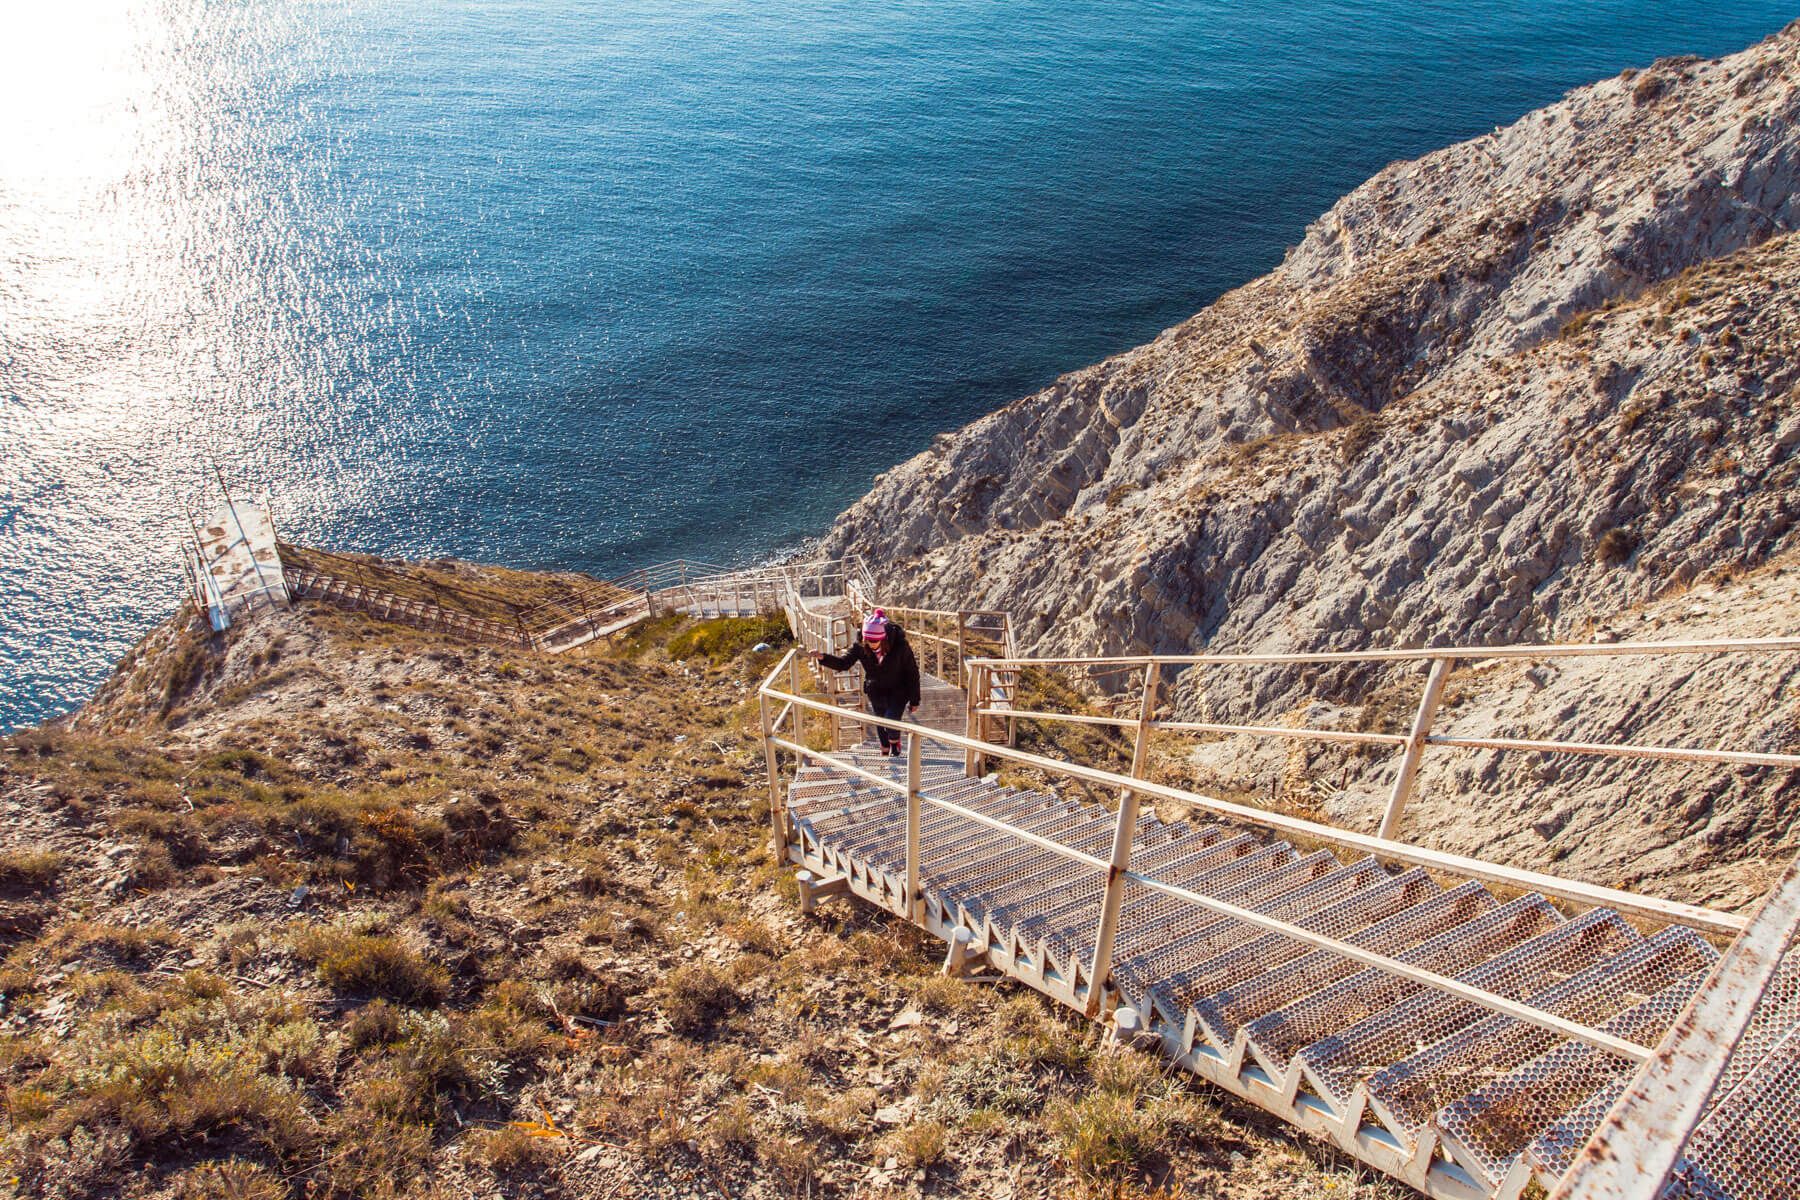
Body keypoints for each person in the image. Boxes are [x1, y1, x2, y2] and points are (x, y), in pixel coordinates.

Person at [810, 609, 921, 756]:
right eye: (868, 640)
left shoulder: (900, 646)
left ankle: (895, 743)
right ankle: (885, 748)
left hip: (898, 689)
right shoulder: (861, 647)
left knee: (891, 718)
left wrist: (914, 699)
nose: (871, 644)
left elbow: (912, 672)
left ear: (882, 638)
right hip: (876, 690)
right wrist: (822, 657)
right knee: (880, 721)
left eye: (874, 641)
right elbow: (844, 663)